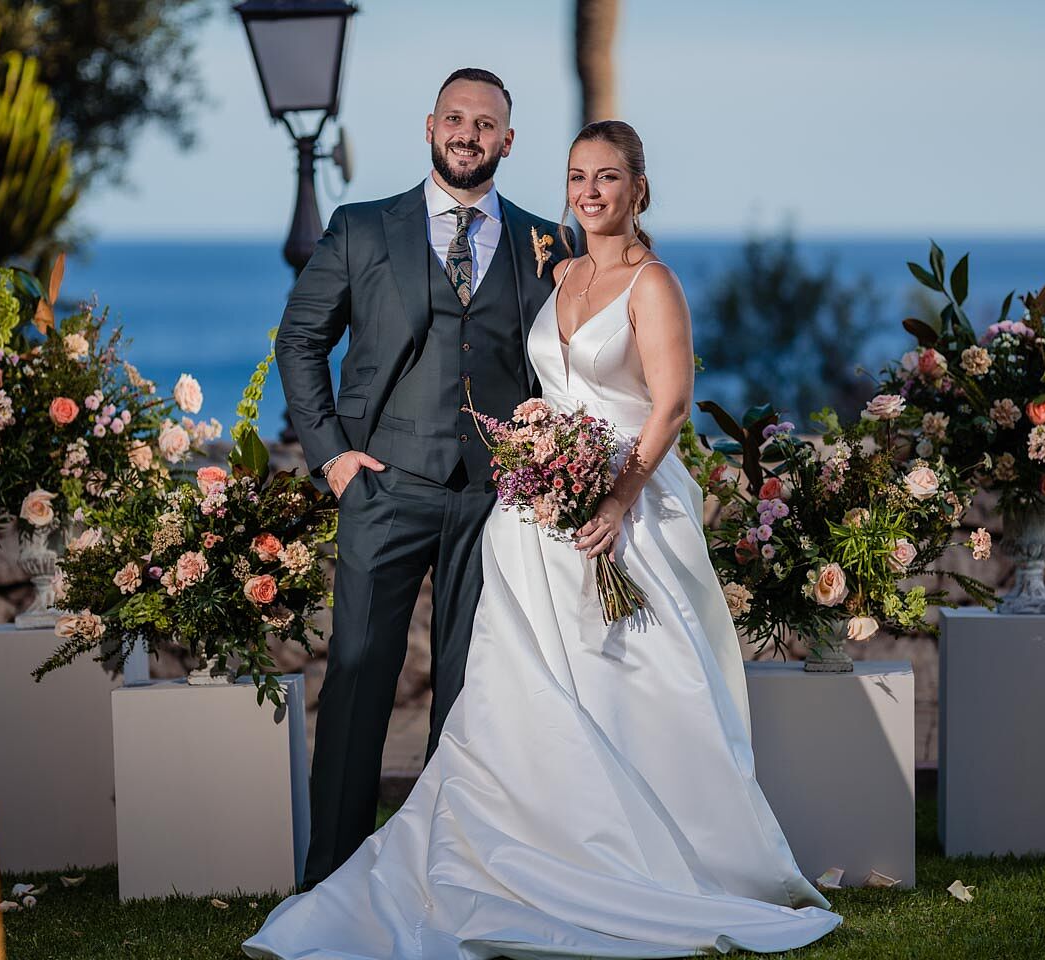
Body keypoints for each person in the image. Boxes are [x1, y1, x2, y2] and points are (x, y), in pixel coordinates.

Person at [245, 118, 841, 959]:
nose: (590, 192)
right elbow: (335, 342)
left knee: (620, 687)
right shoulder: (549, 265)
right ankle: (462, 856)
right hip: (515, 518)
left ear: (639, 188)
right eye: (578, 177)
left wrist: (614, 497)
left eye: (608, 177)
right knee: (493, 697)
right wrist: (347, 456)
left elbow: (669, 403)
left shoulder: (640, 279)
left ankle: (636, 859)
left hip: (614, 510)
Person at [274, 67, 569, 889]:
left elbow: (565, 365)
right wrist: (333, 456)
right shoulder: (363, 227)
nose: (469, 134)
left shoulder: (548, 242)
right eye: (456, 118)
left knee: (472, 694)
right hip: (384, 485)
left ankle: (447, 873)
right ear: (430, 126)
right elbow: (300, 341)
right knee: (359, 673)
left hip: (496, 499)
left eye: (486, 124)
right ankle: (331, 879)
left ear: (508, 141)